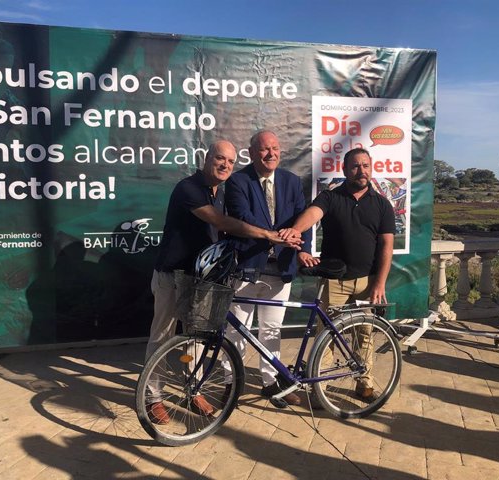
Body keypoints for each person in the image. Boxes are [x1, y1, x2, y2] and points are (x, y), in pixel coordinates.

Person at [144, 140, 301, 424]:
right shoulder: (188, 188)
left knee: (196, 341)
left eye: (230, 161)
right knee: (163, 337)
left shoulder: (221, 191)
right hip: (171, 275)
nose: (225, 165)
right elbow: (223, 223)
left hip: (202, 278)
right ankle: (153, 397)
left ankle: (192, 390)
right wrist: (269, 235)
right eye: (220, 159)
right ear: (206, 159)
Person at [281, 147, 396, 401]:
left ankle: (364, 382)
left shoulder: (382, 204)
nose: (361, 171)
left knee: (364, 334)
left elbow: (387, 246)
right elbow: (313, 214)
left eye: (365, 165)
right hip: (334, 282)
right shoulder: (330, 197)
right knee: (327, 336)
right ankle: (319, 386)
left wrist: (380, 283)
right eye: (355, 166)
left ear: (371, 167)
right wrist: (295, 230)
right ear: (345, 170)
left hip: (366, 281)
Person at [224, 130, 318, 407]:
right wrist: (278, 235)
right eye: (265, 149)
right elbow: (243, 217)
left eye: (275, 148)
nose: (271, 154)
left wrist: (303, 249)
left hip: (282, 268)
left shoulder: (291, 181)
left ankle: (270, 382)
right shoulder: (238, 181)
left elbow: (304, 220)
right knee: (237, 329)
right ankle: (231, 383)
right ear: (252, 153)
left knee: (271, 329)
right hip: (248, 268)